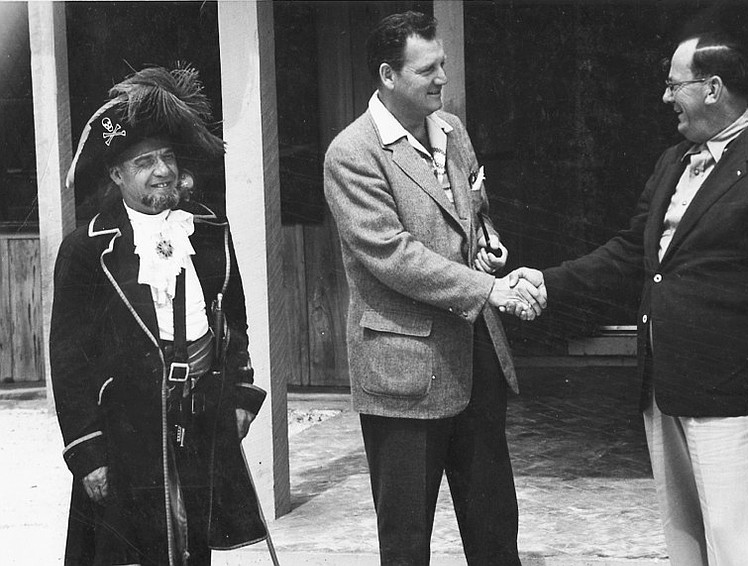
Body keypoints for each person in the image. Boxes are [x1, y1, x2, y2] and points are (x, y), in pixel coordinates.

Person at [513, 33, 748, 565]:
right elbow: (633, 252)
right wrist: (548, 281)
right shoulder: (674, 161)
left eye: (673, 85)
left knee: (740, 545)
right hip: (665, 384)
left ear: (713, 88)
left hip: (736, 395)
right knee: (685, 544)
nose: (665, 98)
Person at [323, 11, 545, 566]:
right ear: (388, 76)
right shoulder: (352, 154)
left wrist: (488, 244)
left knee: (495, 528)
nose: (443, 78)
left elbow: (474, 211)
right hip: (404, 375)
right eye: (428, 70)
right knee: (406, 540)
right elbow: (392, 254)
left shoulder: (452, 131)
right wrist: (488, 289)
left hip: (475, 357)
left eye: (443, 64)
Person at [50, 65, 269, 566]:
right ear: (116, 174)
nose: (162, 170)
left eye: (167, 157)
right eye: (143, 161)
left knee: (192, 545)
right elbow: (68, 360)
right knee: (132, 551)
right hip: (126, 430)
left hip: (198, 415)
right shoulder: (87, 250)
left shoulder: (207, 231)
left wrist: (239, 393)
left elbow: (233, 321)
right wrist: (88, 453)